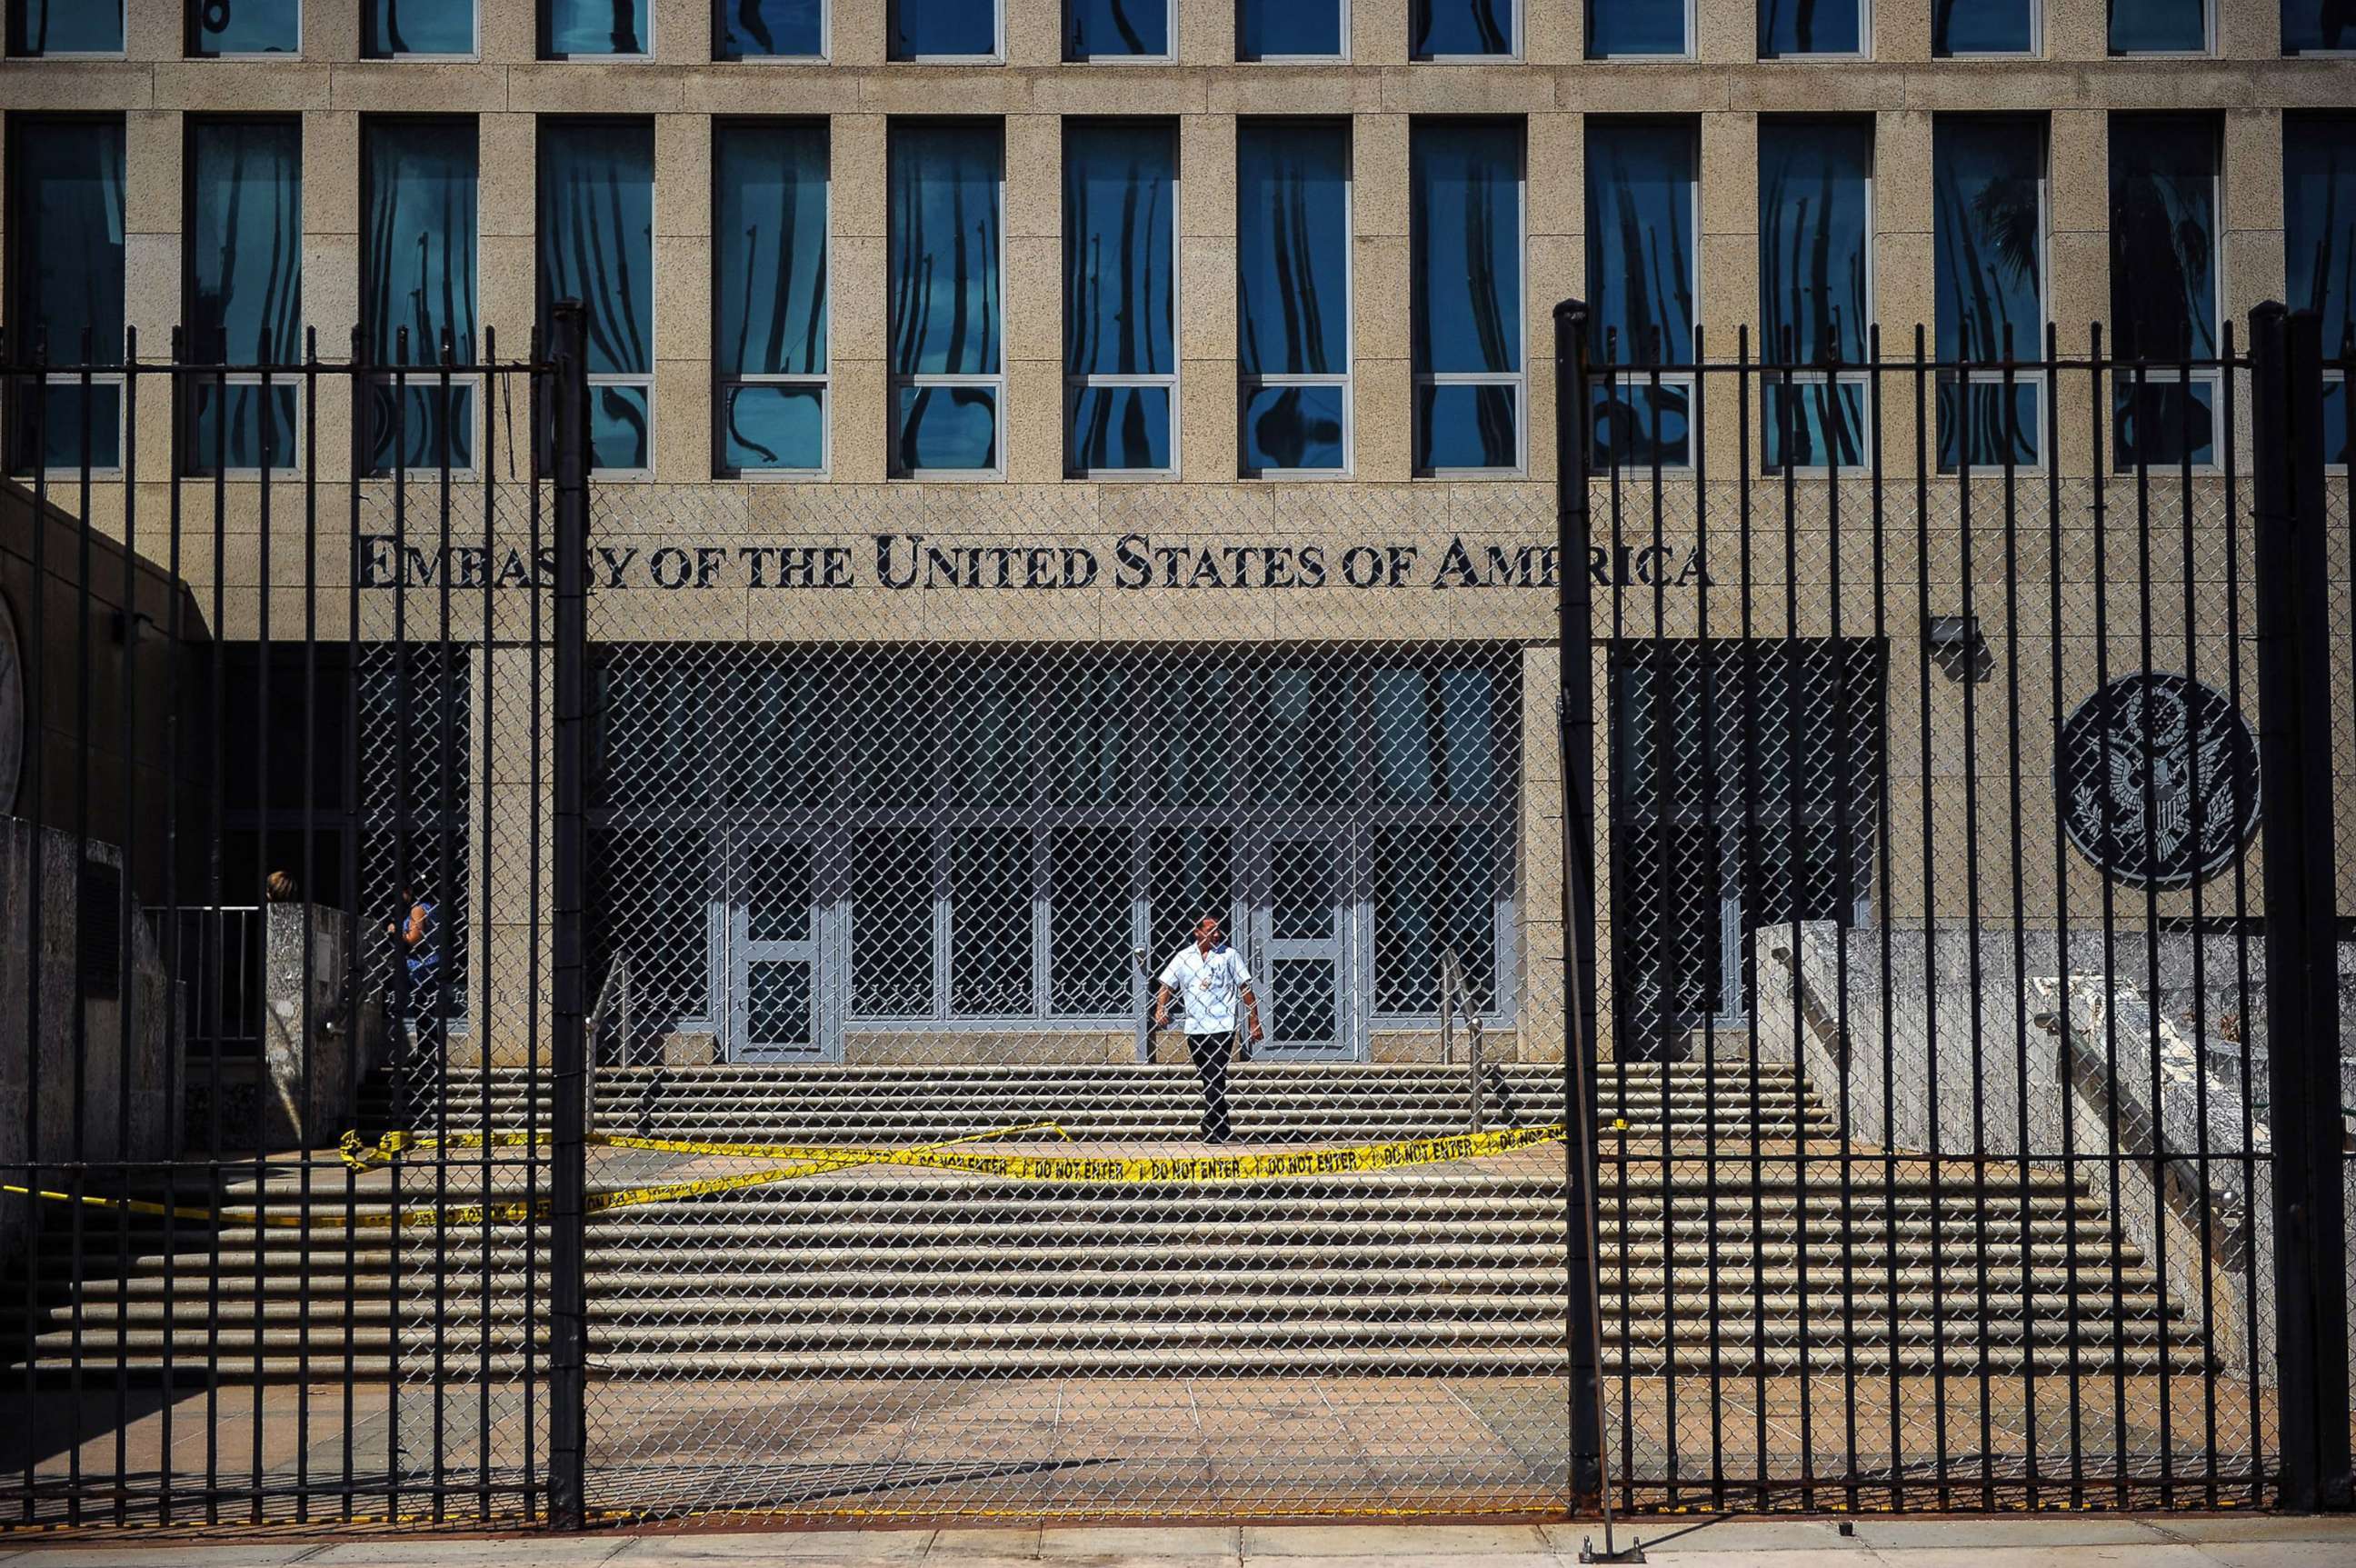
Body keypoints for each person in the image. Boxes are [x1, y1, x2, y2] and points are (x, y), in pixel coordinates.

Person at [1154, 914, 1263, 1144]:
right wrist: (1160, 1008)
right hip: (1195, 1027)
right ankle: (1222, 1126)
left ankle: (1209, 1124)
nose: (1216, 934)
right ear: (1197, 932)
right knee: (1210, 1077)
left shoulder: (1229, 955)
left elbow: (1245, 987)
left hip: (1222, 1025)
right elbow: (1167, 985)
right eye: (1211, 930)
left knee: (1215, 1074)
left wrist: (1254, 1020)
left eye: (1218, 930)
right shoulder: (1184, 957)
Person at [386, 884, 444, 1058]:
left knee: (423, 1012)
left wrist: (395, 931)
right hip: (430, 965)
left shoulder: (417, 910)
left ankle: (427, 1055)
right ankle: (428, 1053)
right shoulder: (432, 907)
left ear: (410, 891)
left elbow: (414, 938)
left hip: (421, 967)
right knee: (426, 1012)